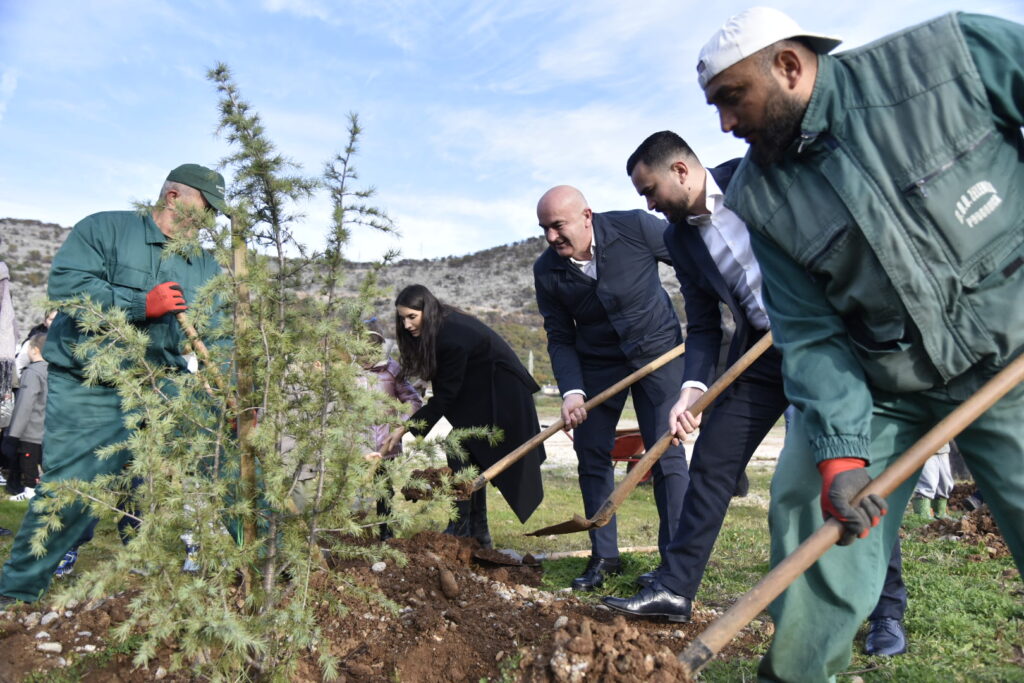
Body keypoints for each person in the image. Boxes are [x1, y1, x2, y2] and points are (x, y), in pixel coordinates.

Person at [697, 8, 1024, 681]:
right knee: (808, 507)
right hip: (886, 384)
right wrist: (842, 455)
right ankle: (796, 673)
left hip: (1010, 351)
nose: (725, 126)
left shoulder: (949, 58)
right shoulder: (761, 198)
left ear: (788, 66)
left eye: (732, 98)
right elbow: (810, 332)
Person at [0, 163, 230, 606]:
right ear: (174, 197)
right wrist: (141, 304)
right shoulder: (105, 229)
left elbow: (221, 338)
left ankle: (257, 568)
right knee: (72, 492)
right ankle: (16, 595)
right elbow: (67, 288)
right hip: (92, 384)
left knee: (228, 452)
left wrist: (239, 399)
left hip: (162, 384)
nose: (212, 221)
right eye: (207, 208)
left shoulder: (204, 266)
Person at [600, 130, 787, 621]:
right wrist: (691, 389)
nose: (650, 204)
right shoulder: (680, 240)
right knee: (712, 461)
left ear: (680, 171)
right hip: (762, 355)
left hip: (817, 339)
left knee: (845, 468)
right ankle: (675, 590)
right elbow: (704, 324)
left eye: (650, 191)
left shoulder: (752, 178)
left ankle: (886, 610)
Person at [533, 186, 689, 591]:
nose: (551, 237)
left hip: (658, 352)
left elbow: (691, 260)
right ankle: (605, 556)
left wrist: (706, 319)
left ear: (587, 216)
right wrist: (571, 391)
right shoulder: (546, 270)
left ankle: (674, 562)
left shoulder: (635, 226)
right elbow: (559, 335)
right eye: (544, 229)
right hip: (598, 363)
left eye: (557, 226)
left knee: (666, 452)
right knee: (591, 452)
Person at [382, 284, 545, 548]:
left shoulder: (450, 337)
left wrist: (404, 429)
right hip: (479, 394)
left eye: (412, 316)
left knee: (462, 449)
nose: (407, 325)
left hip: (502, 397)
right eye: (402, 318)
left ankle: (463, 530)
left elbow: (445, 398)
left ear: (427, 310)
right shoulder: (442, 326)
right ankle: (475, 531)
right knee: (462, 450)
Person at [359, 318, 422, 541]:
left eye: (372, 346)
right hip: (354, 444)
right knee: (352, 489)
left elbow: (412, 400)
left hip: (384, 443)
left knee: (383, 488)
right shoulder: (345, 370)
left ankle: (385, 530)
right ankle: (351, 532)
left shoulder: (391, 370)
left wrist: (400, 426)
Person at [5, 332, 48, 501]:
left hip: (31, 429)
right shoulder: (53, 372)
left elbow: (25, 404)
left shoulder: (32, 372)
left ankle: (30, 492)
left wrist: (13, 433)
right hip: (47, 429)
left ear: (35, 350)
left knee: (28, 462)